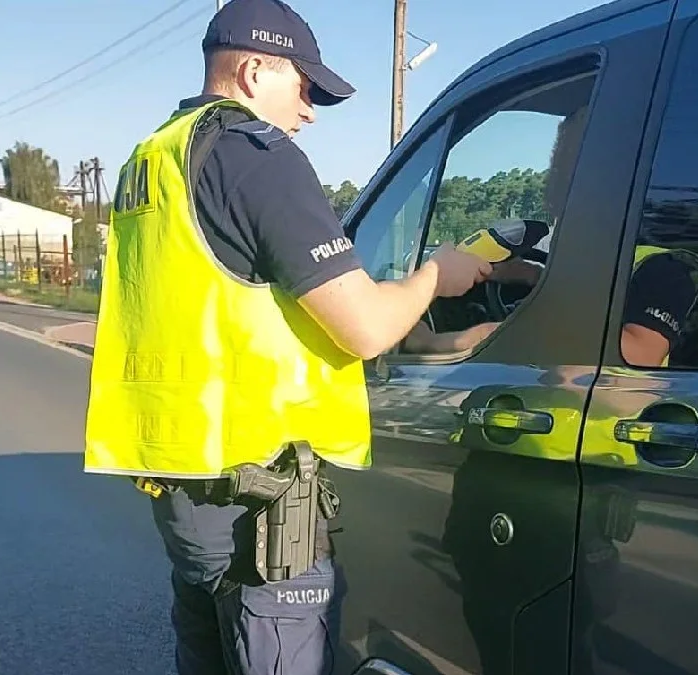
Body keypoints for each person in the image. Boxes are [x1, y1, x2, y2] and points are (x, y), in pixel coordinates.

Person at [81, 1, 491, 674]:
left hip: (186, 494)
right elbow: (362, 327)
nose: (310, 110)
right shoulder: (253, 155)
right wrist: (434, 276)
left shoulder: (153, 159)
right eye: (304, 86)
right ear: (251, 71)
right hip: (260, 510)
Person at [402, 106, 698, 368]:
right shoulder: (590, 260)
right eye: (558, 161)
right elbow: (586, 297)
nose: (556, 174)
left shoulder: (662, 269)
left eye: (568, 163)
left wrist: (438, 343)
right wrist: (531, 275)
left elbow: (637, 355)